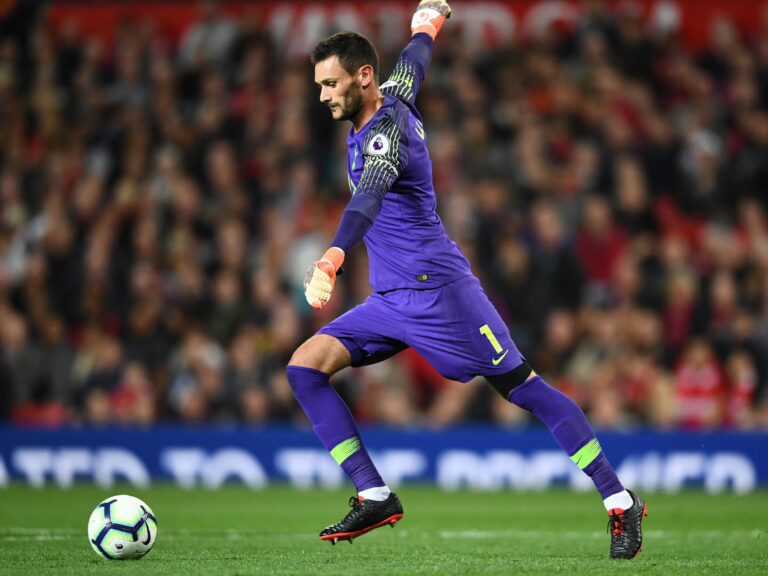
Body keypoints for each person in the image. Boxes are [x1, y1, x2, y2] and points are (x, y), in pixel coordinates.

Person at [287, 0, 647, 559]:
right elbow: (413, 63)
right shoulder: (394, 92)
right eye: (319, 85)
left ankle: (620, 501)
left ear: (363, 78)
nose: (323, 96)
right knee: (305, 367)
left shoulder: (384, 134)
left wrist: (332, 258)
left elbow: (367, 198)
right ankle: (373, 493)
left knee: (525, 389)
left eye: (330, 84)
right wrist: (427, 24)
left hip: (440, 294)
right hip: (390, 298)